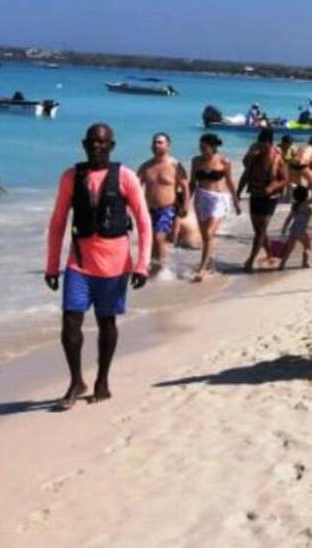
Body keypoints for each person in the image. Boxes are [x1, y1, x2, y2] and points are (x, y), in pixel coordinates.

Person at [45, 123, 152, 410]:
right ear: (83, 144)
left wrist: (142, 264)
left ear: (111, 146)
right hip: (79, 264)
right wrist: (52, 265)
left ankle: (102, 380)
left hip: (114, 268)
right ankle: (76, 382)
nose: (96, 146)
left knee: (107, 323)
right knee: (70, 321)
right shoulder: (71, 177)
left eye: (102, 142)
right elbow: (58, 222)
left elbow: (144, 221)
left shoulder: (126, 177)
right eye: (92, 142)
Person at [138, 133, 191, 280]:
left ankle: (162, 270)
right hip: (148, 210)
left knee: (159, 237)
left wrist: (185, 206)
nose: (156, 145)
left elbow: (185, 187)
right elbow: (135, 187)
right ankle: (152, 266)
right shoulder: (146, 166)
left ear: (168, 145)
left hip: (167, 209)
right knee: (150, 239)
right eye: (154, 142)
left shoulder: (175, 165)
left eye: (160, 142)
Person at [190, 133, 240, 282]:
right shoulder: (196, 161)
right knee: (205, 235)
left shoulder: (224, 161)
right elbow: (192, 183)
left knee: (209, 232)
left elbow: (229, 181)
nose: (201, 150)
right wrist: (185, 202)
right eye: (200, 147)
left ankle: (202, 269)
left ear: (213, 147)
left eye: (204, 147)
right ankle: (209, 260)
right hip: (200, 197)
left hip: (218, 199)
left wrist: (236, 201)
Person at [237, 129, 288, 272]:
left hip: (270, 198)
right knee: (258, 230)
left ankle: (250, 260)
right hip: (255, 195)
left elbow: (285, 179)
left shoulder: (277, 160)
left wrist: (273, 186)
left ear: (271, 144)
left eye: (264, 146)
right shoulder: (254, 158)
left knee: (260, 230)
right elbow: (245, 176)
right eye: (259, 146)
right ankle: (271, 254)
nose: (262, 149)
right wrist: (238, 193)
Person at [278, 184, 312, 269]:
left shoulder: (295, 206)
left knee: (289, 249)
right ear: (306, 196)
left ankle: (282, 265)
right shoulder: (305, 204)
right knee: (307, 247)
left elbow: (288, 219)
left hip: (293, 230)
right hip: (301, 231)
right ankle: (305, 262)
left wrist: (284, 229)